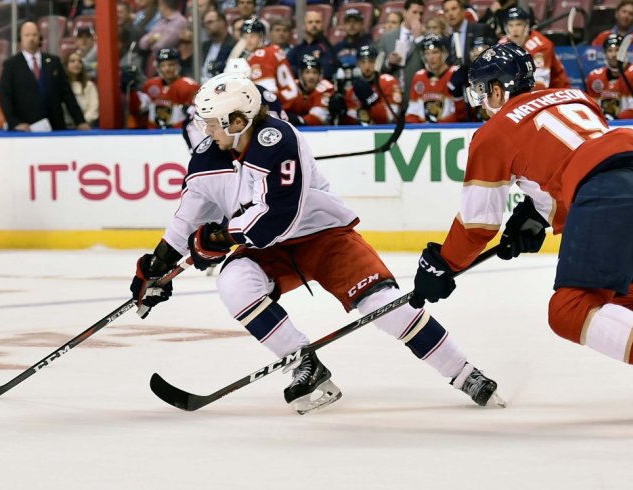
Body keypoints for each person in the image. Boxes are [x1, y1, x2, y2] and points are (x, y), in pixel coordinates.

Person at [129, 72, 504, 414]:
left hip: (323, 236)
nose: (205, 129)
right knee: (234, 284)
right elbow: (186, 218)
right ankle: (304, 364)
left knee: (387, 307)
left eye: (212, 122)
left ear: (238, 120)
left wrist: (218, 238)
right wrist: (158, 267)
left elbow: (276, 216)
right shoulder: (207, 156)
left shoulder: (277, 139)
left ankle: (464, 373)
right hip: (268, 249)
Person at [409, 43, 633, 415]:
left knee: (568, 309)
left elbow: (476, 227)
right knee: (631, 299)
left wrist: (444, 264)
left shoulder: (492, 132)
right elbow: (570, 159)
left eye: (482, 91)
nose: (480, 101)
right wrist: (536, 217)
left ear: (499, 90)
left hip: (610, 197)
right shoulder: (574, 96)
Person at [0, 21, 90, 131]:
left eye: (34, 35)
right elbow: (5, 97)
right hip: (26, 129)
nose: (31, 38)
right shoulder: (11, 65)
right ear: (21, 38)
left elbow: (67, 95)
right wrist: (14, 123)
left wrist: (80, 121)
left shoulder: (54, 62)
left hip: (55, 127)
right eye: (27, 35)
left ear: (40, 37)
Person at [241, 17, 302, 114]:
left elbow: (267, 93)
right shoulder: (273, 49)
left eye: (252, 36)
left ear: (261, 37)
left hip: (282, 106)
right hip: (292, 101)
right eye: (245, 37)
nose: (248, 41)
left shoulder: (260, 55)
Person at [500, 7, 569, 89]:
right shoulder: (502, 44)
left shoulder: (541, 46)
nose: (514, 30)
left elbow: (540, 84)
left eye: (518, 24)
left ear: (526, 26)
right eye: (510, 25)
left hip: (557, 92)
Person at [585, 33, 633, 119]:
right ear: (605, 53)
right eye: (610, 51)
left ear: (625, 51)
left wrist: (614, 120)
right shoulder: (594, 77)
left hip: (629, 126)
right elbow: (591, 109)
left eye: (617, 50)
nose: (613, 55)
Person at [405, 34, 465, 123]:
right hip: (424, 130)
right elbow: (412, 112)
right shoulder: (419, 77)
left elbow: (460, 114)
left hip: (449, 129)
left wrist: (437, 126)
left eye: (435, 52)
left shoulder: (455, 74)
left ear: (444, 53)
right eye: (427, 53)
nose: (431, 57)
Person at [342, 44, 403, 125]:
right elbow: (350, 123)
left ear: (377, 62)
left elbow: (392, 117)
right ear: (358, 64)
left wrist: (372, 103)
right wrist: (342, 114)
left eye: (371, 62)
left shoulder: (389, 82)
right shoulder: (352, 90)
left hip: (385, 132)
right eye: (363, 62)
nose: (367, 66)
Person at [141, 48, 199, 128]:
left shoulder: (189, 86)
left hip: (179, 134)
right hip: (153, 135)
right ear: (157, 68)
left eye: (171, 64)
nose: (167, 69)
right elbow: (141, 109)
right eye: (163, 65)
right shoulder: (149, 85)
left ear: (178, 65)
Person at [378, 0, 426, 90]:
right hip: (393, 91)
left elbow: (431, 64)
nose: (418, 17)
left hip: (418, 90)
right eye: (414, 12)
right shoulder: (387, 37)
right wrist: (388, 62)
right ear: (405, 13)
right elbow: (377, 65)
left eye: (421, 13)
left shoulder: (427, 36)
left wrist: (419, 39)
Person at [287, 10, 337, 80]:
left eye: (317, 22)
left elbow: (328, 71)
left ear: (322, 25)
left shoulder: (327, 48)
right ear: (304, 26)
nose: (314, 25)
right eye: (310, 22)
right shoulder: (296, 50)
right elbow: (287, 70)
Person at [288, 54, 335, 125]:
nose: (311, 76)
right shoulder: (291, 87)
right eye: (307, 72)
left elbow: (319, 116)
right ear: (300, 74)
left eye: (315, 72)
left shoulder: (326, 88)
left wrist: (299, 120)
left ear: (320, 75)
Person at [443, 0, 490, 67]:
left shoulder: (480, 29)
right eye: (446, 11)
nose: (450, 13)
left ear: (462, 10)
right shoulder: (447, 39)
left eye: (454, 9)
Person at [63, 50, 99, 127]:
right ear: (66, 65)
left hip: (85, 127)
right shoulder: (61, 86)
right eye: (72, 61)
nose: (77, 64)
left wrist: (81, 122)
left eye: (79, 61)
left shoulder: (89, 85)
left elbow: (94, 107)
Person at [333, 8, 374, 73]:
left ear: (362, 24)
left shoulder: (370, 46)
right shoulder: (337, 47)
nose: (352, 25)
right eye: (348, 21)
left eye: (356, 21)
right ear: (344, 24)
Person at [200, 10, 235, 83]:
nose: (206, 26)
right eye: (204, 24)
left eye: (210, 22)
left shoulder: (234, 45)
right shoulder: (204, 46)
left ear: (222, 22)